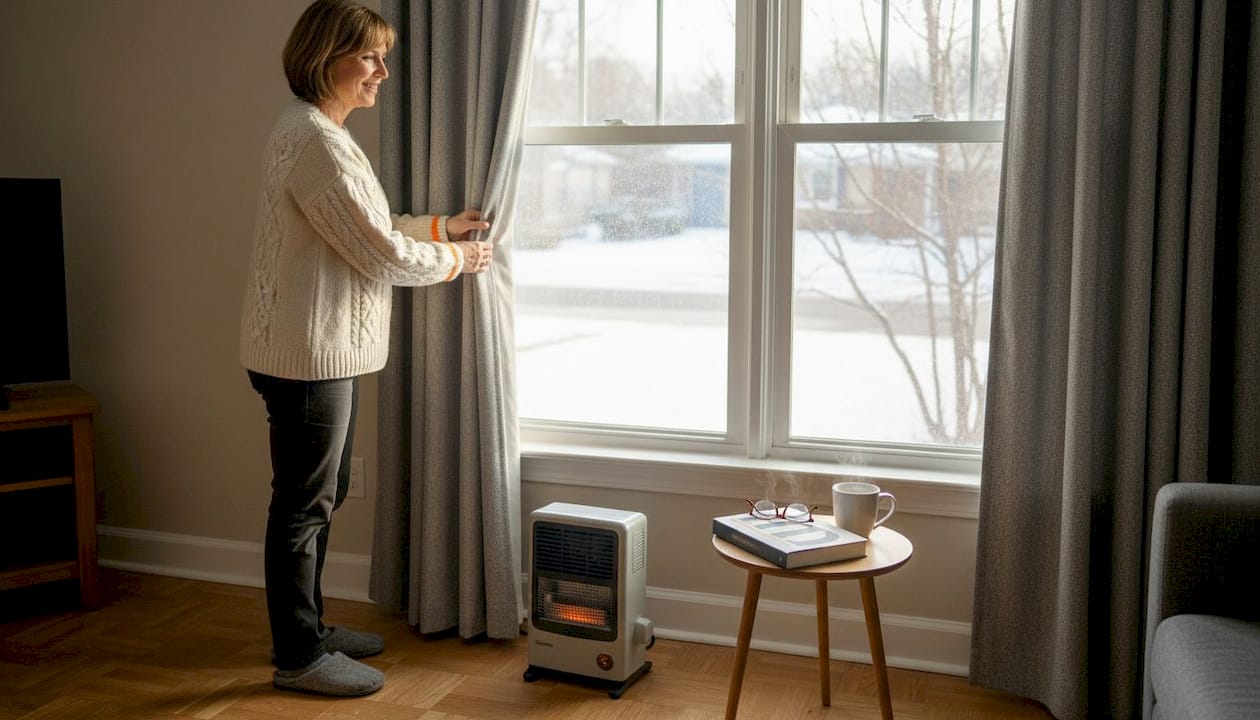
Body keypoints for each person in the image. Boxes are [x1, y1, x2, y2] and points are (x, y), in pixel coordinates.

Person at [238, 0, 493, 698]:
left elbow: (362, 228)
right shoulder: (316, 141)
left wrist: (440, 229)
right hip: (306, 354)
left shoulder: (319, 133)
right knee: (304, 506)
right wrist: (458, 260)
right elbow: (379, 254)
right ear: (327, 58)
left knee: (322, 496)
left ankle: (310, 632)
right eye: (370, 56)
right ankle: (298, 656)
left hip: (309, 350)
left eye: (385, 57)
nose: (382, 71)